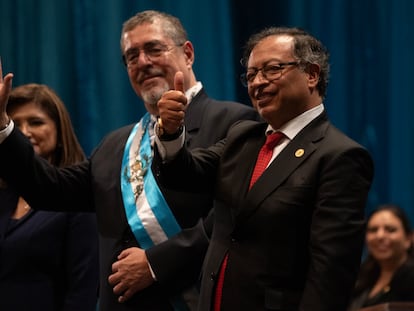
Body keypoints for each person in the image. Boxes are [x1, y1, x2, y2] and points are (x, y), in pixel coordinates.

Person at [0, 10, 259, 311]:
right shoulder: (116, 144)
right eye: (132, 56)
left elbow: (235, 219)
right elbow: (47, 188)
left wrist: (155, 263)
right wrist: (3, 125)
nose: (143, 62)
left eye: (153, 49)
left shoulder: (236, 122)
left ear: (187, 54)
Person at [152, 26, 375, 311]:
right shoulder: (243, 137)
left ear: (311, 75)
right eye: (251, 75)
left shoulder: (339, 156)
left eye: (271, 69)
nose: (257, 83)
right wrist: (171, 133)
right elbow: (184, 177)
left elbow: (330, 273)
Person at [0, 83, 99, 310]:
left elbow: (82, 291)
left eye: (36, 122)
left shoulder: (77, 199)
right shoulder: (4, 195)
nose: (23, 132)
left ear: (59, 130)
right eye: (16, 124)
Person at [347, 204, 414, 310]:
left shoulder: (410, 278)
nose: (380, 236)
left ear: (408, 239)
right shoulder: (361, 276)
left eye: (390, 229)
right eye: (373, 230)